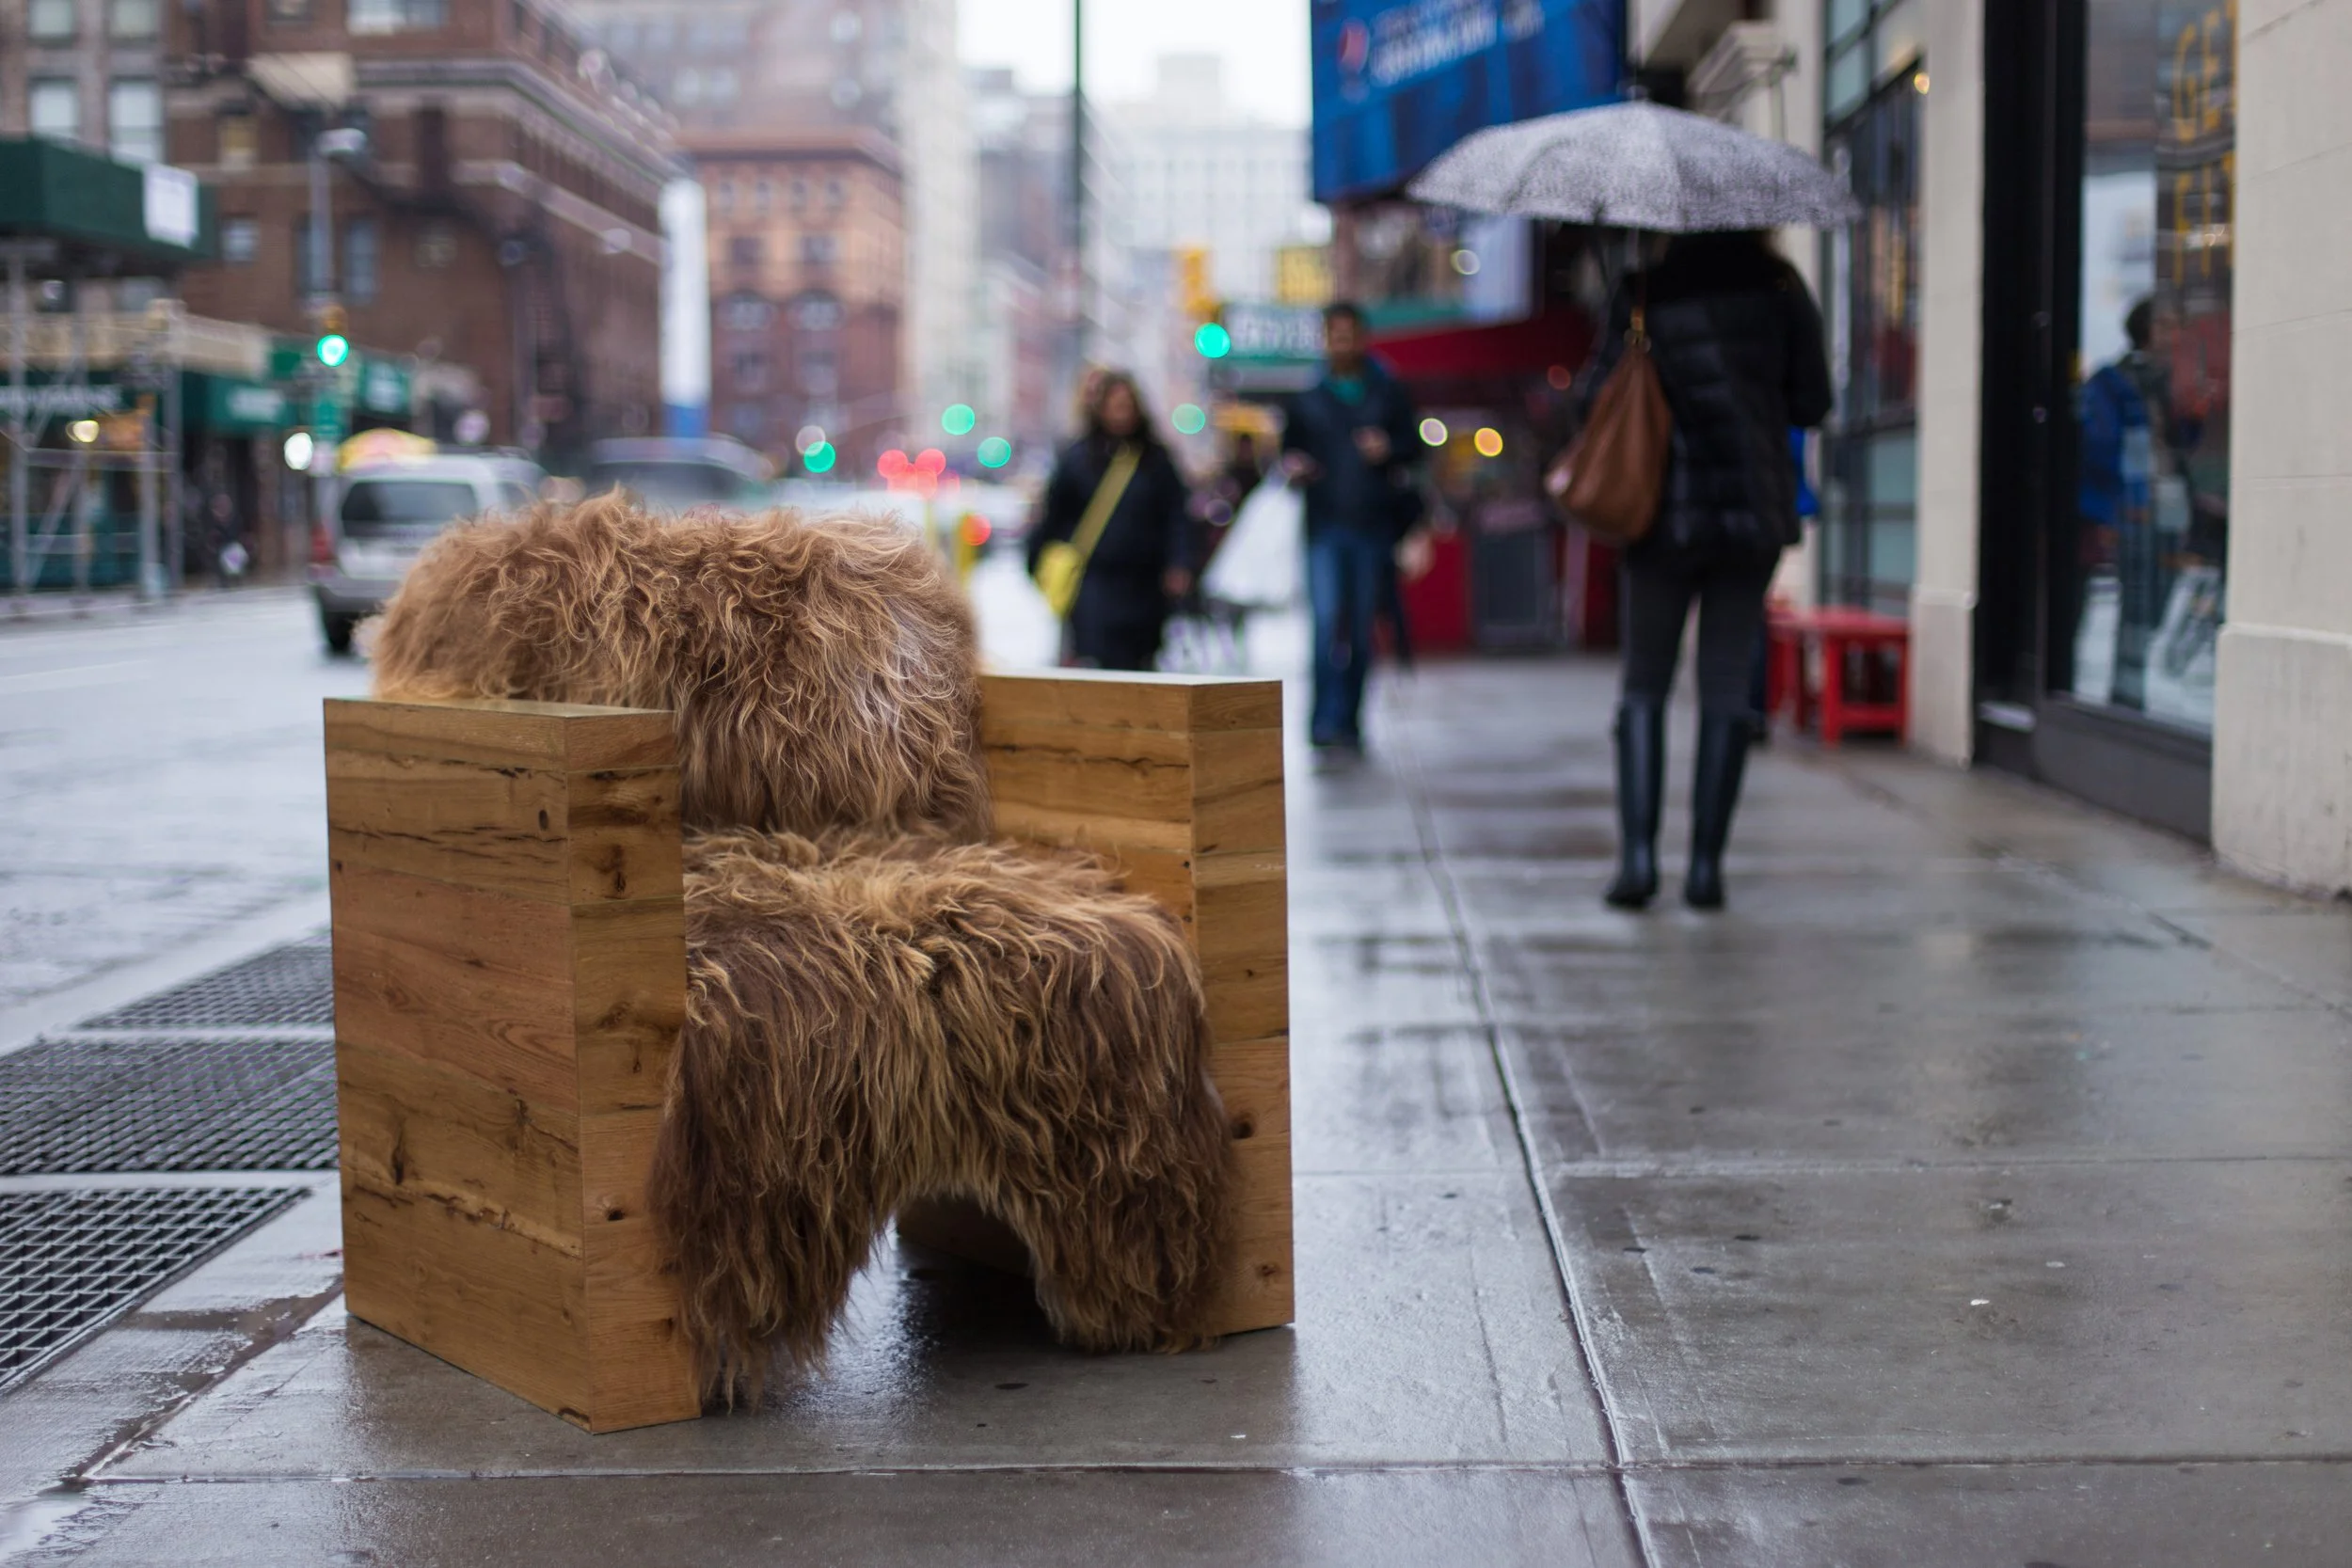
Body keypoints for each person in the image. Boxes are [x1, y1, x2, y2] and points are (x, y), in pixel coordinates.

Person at [1584, 231, 1832, 911]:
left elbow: (1593, 399)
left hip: (1661, 514)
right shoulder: (1781, 289)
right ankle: (1705, 870)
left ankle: (1638, 861)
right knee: (1725, 684)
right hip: (1751, 514)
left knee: (1644, 684)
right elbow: (1813, 402)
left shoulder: (1640, 292)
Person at [1281, 301, 1422, 752]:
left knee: (1361, 629)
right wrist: (1296, 468)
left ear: (1363, 337)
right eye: (1334, 334)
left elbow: (1416, 449)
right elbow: (1287, 457)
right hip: (1324, 527)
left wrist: (1389, 449)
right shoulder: (1307, 397)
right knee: (1325, 626)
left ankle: (1351, 720)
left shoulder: (1388, 391)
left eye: (1349, 334)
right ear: (1326, 338)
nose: (1342, 342)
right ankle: (1323, 720)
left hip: (1372, 527)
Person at [1027, 370, 1194, 671]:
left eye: (1127, 406)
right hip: (1094, 582)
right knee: (1093, 662)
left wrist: (1179, 564)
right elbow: (1053, 515)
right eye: (1115, 405)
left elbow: (1176, 515)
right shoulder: (1078, 458)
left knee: (1139, 665)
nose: (1122, 413)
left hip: (1144, 585)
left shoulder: (1156, 460)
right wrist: (1037, 561)